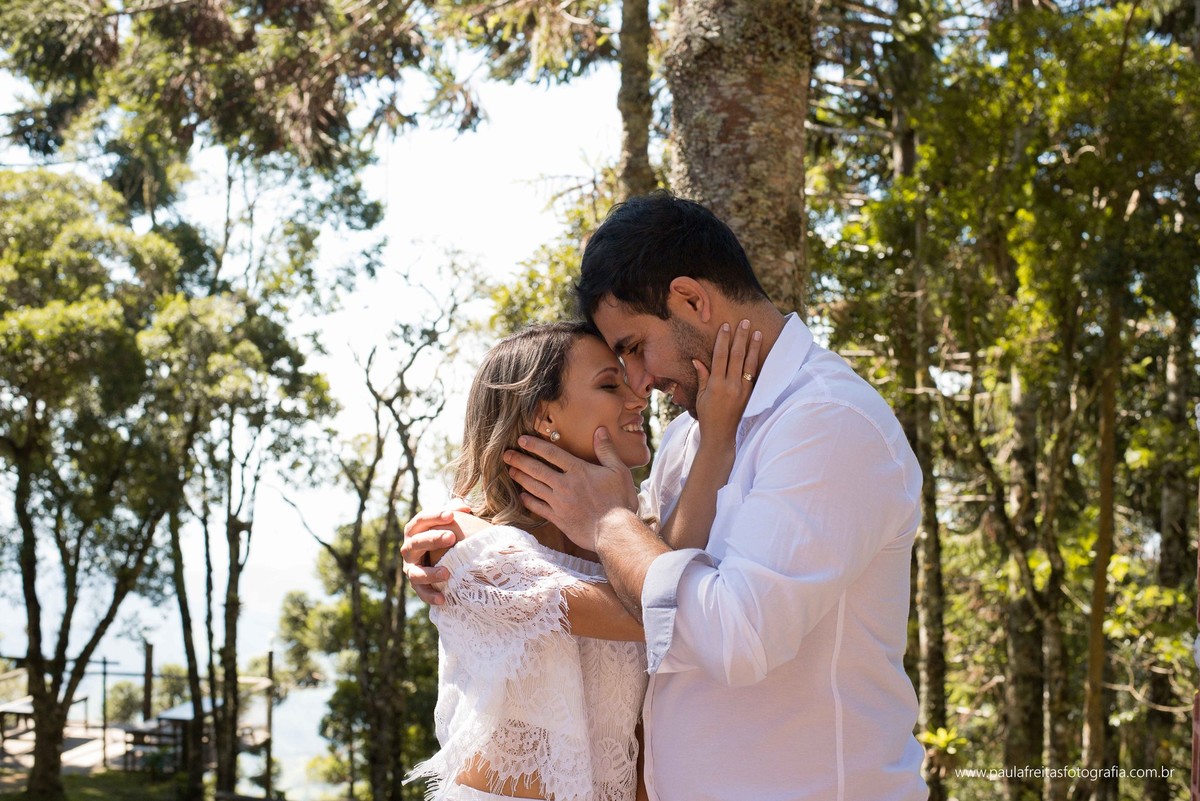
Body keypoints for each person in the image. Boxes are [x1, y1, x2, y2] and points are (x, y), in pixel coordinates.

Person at [405, 192, 929, 801]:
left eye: (632, 347)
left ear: (690, 300)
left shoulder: (828, 421)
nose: (640, 382)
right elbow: (647, 562)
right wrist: (450, 543)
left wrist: (606, 521)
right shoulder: (691, 435)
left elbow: (732, 634)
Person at [405, 318, 760, 801]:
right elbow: (658, 609)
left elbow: (660, 586)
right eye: (609, 384)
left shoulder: (625, 541)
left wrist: (715, 442)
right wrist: (711, 445)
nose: (638, 396)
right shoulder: (468, 546)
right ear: (544, 418)